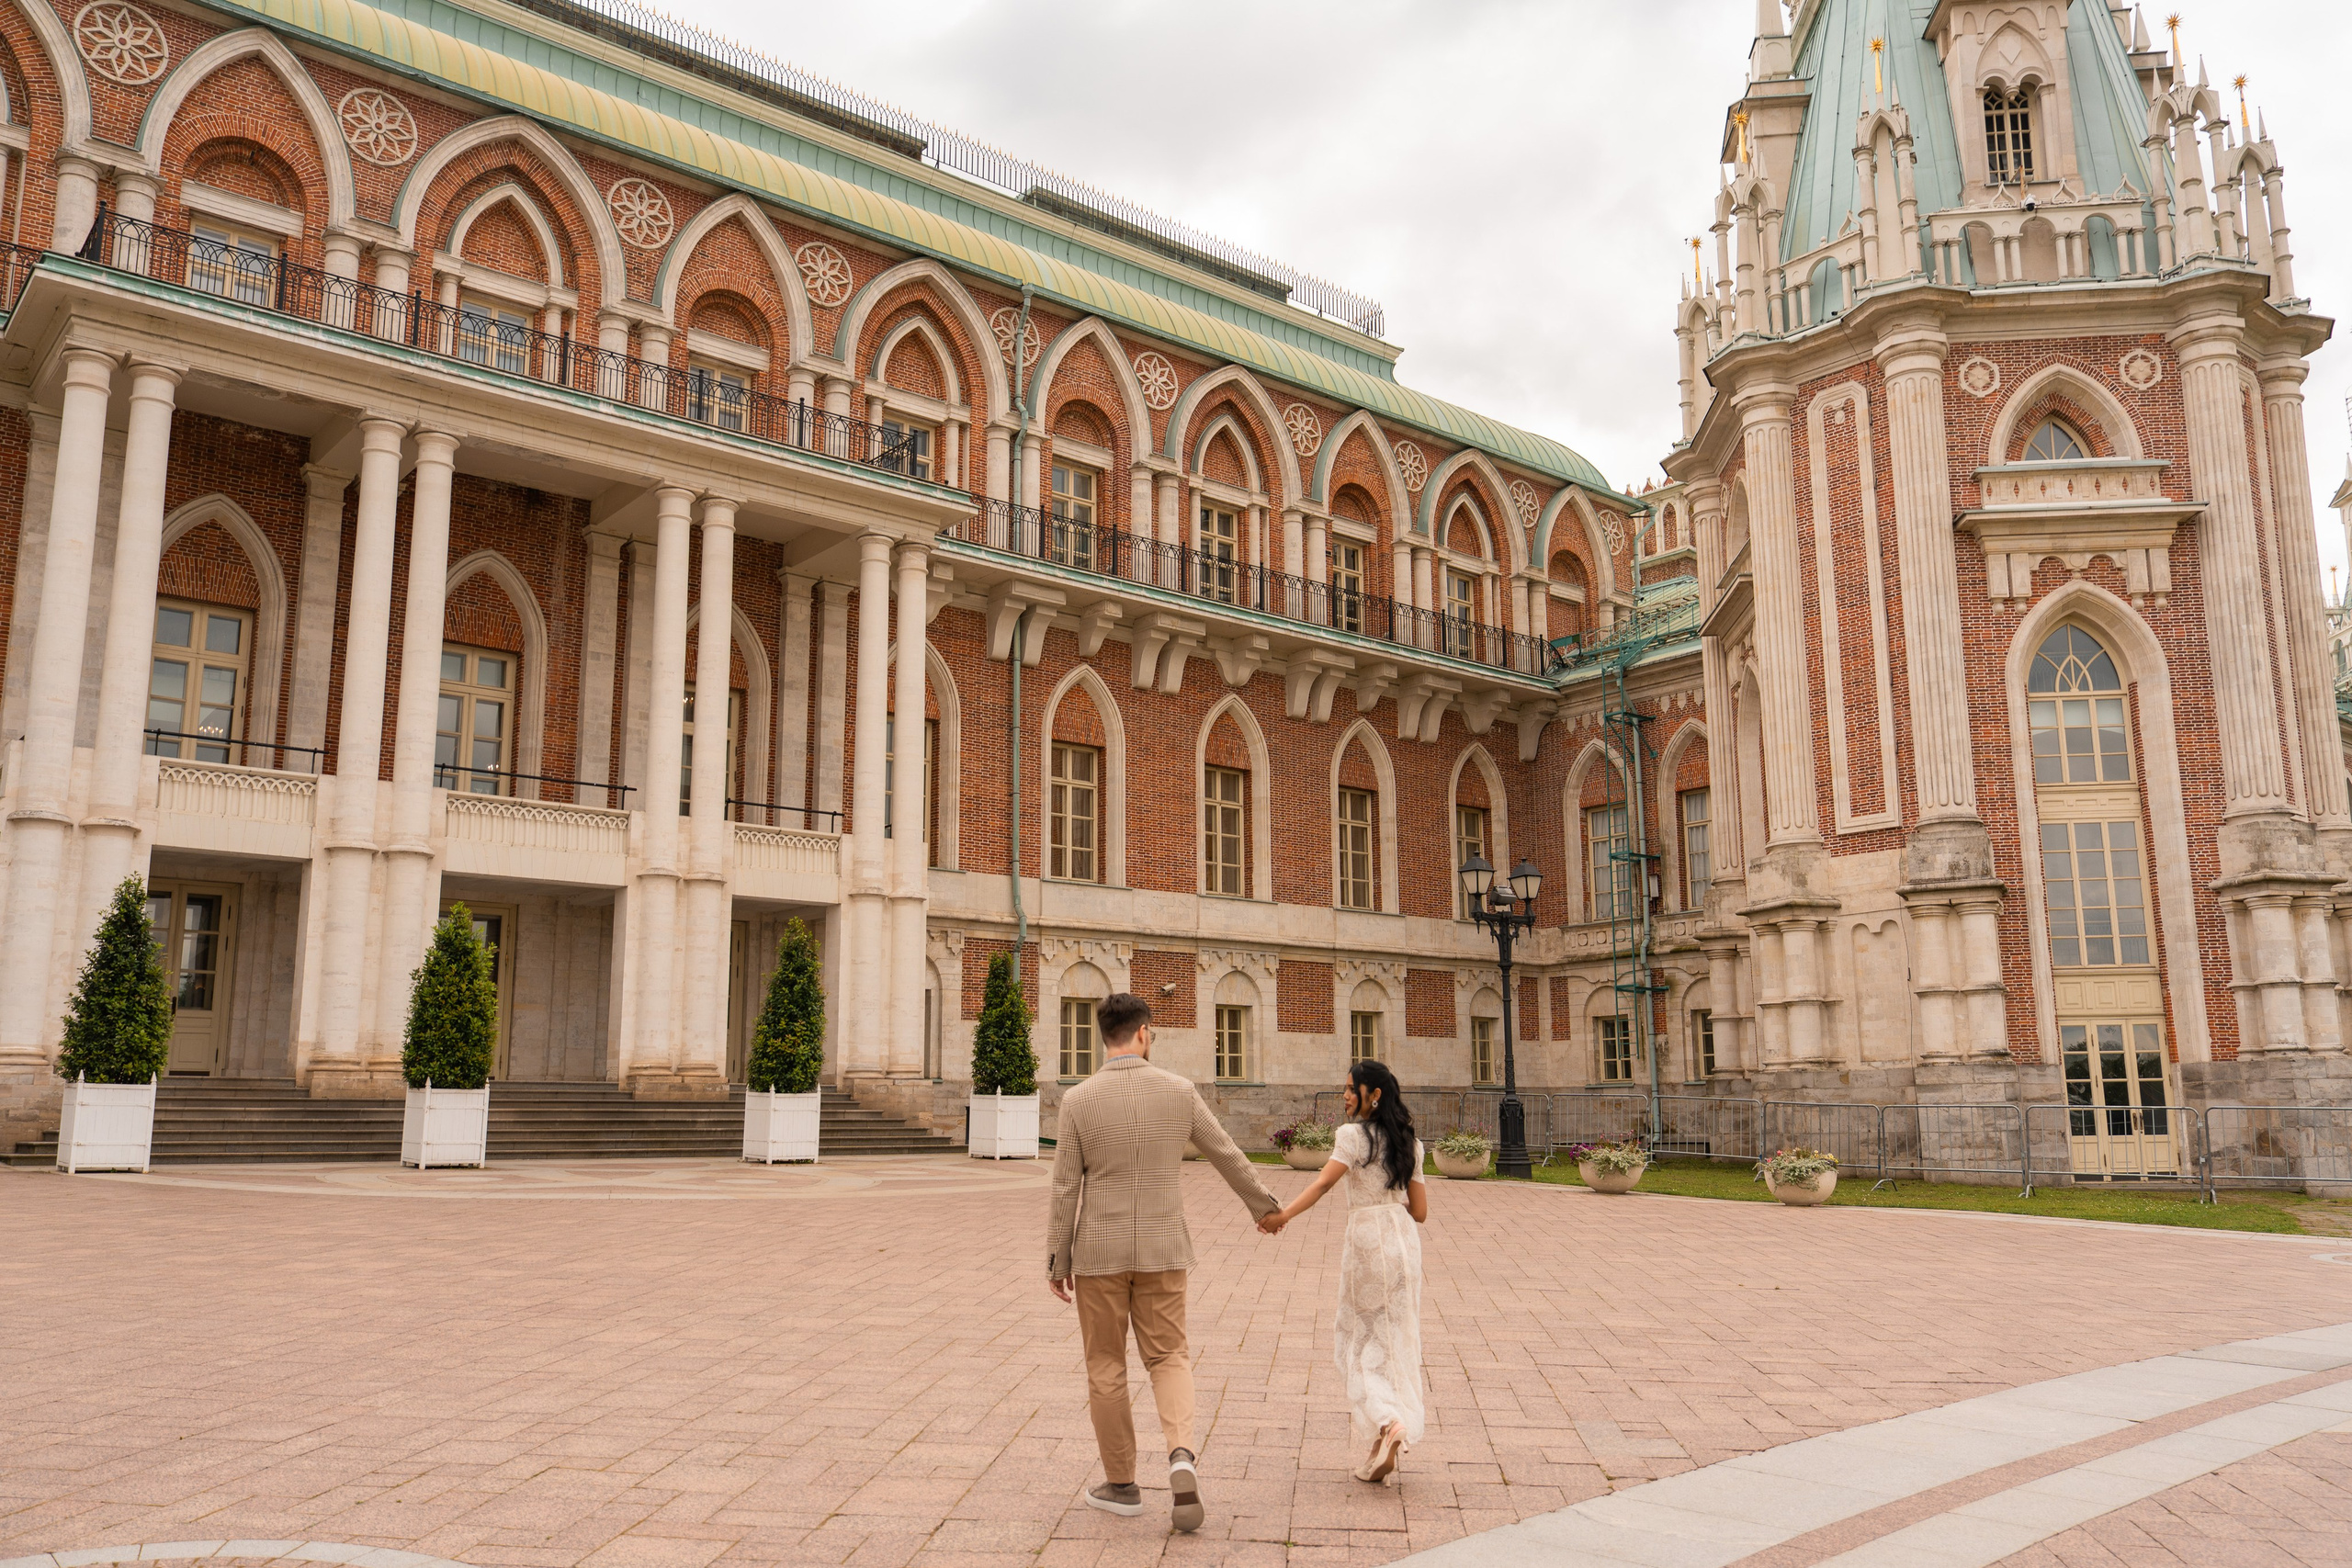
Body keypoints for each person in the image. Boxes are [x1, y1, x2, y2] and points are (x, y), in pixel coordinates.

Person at [1046, 990, 1282, 1532]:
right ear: (1145, 1033)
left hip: (1099, 1254)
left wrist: (1058, 1258)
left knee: (1106, 1365)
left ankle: (1122, 1486)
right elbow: (1225, 1151)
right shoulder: (1178, 1091)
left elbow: (1064, 1188)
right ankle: (1180, 1454)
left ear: (1104, 1036)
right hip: (1162, 1248)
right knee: (1169, 1356)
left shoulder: (1078, 1100)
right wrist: (1263, 1208)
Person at [1259, 1059, 1427, 1483]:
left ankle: (1389, 1422)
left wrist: (1283, 1216)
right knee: (1393, 1339)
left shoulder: (1351, 1137)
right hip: (1404, 1243)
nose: (1346, 1095)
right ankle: (1380, 1442)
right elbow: (1421, 1212)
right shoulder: (1412, 1143)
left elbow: (1321, 1185)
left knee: (1355, 1342)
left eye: (1353, 1088)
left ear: (1375, 1095)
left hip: (1368, 1242)